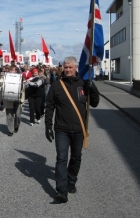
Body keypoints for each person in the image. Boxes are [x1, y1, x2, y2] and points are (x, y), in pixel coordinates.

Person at [45, 56, 99, 203]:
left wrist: (92, 88)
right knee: (61, 158)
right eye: (66, 67)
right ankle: (61, 191)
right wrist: (48, 126)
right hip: (61, 129)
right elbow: (49, 106)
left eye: (70, 67)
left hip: (78, 129)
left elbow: (94, 103)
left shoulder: (83, 84)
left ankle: (71, 181)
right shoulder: (57, 85)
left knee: (76, 157)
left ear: (76, 67)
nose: (68, 70)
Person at [4, 65, 25, 136]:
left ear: (16, 71)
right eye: (11, 70)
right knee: (9, 115)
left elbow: (23, 89)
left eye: (13, 70)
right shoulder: (6, 77)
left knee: (18, 115)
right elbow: (3, 87)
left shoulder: (20, 78)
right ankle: (10, 130)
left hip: (18, 98)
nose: (12, 72)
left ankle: (16, 125)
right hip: (8, 98)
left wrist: (22, 99)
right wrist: (1, 98)